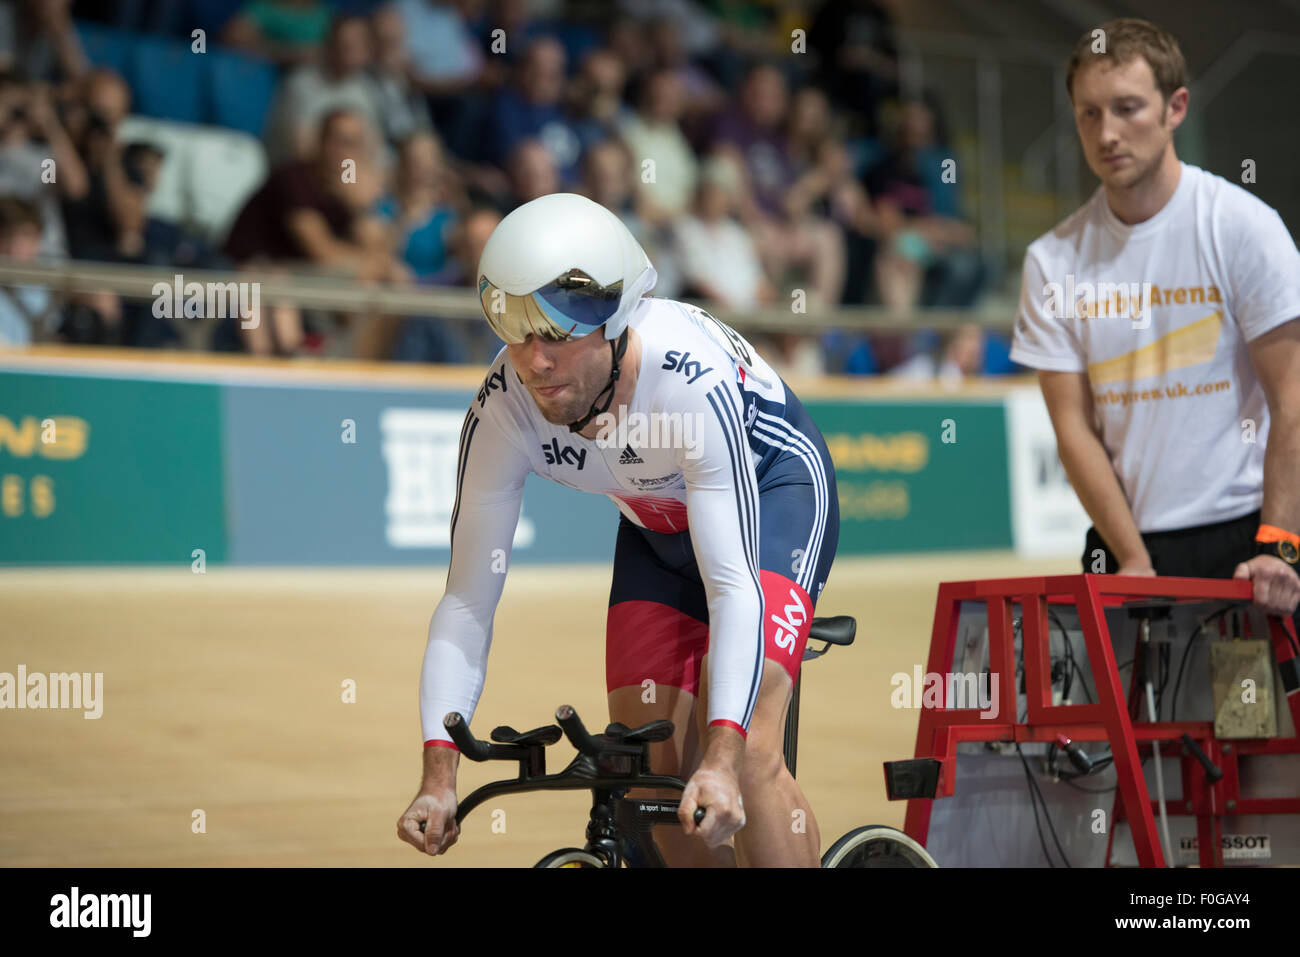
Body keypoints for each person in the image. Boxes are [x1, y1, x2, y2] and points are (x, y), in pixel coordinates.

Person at [396, 192, 840, 866]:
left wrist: (720, 753)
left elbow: (733, 584)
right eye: (515, 329)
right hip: (656, 528)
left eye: (556, 332)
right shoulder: (503, 407)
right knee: (647, 780)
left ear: (614, 319)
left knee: (745, 755)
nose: (534, 361)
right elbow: (466, 601)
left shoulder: (687, 382)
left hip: (776, 494)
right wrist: (439, 774)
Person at [1009, 19, 1300, 628]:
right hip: (1122, 542)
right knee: (1097, 723)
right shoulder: (1051, 261)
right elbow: (1072, 428)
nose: (1107, 133)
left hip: (1249, 534)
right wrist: (1133, 558)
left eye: (1127, 108)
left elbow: (1291, 401)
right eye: (1089, 114)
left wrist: (1278, 543)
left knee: (1250, 724)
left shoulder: (1243, 227)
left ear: (1176, 108)